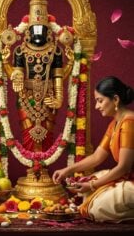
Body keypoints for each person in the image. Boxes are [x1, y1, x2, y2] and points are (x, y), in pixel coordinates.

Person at [52, 76, 134, 222]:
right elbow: (97, 157)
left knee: (97, 209)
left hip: (131, 180)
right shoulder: (116, 123)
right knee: (87, 192)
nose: (96, 106)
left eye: (100, 100)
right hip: (127, 178)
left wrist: (91, 185)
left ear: (115, 100)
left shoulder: (129, 123)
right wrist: (67, 170)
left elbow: (123, 168)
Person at [2, 0, 74, 153]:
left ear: (48, 30)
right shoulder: (20, 50)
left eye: (41, 29)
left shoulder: (55, 51)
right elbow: (17, 77)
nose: (38, 33)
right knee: (27, 129)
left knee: (47, 130)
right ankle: (31, 167)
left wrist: (59, 99)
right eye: (34, 29)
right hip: (25, 96)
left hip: (49, 96)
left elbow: (58, 77)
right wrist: (7, 63)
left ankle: (43, 167)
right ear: (28, 30)